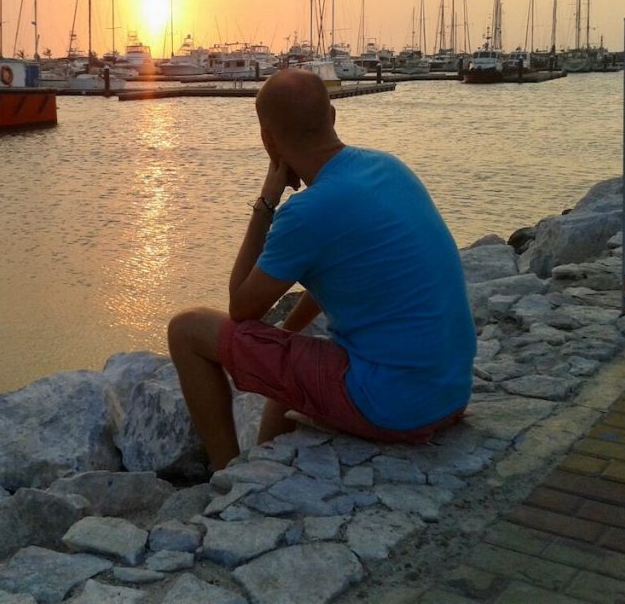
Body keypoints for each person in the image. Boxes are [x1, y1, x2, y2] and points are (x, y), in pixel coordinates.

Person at [168, 68, 476, 470]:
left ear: (268, 139)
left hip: (393, 407)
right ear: (332, 117)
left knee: (187, 328)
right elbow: (340, 271)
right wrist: (287, 333)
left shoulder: (307, 212)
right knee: (293, 370)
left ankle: (225, 471)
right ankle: (258, 473)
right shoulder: (388, 167)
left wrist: (266, 202)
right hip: (449, 393)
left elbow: (242, 307)